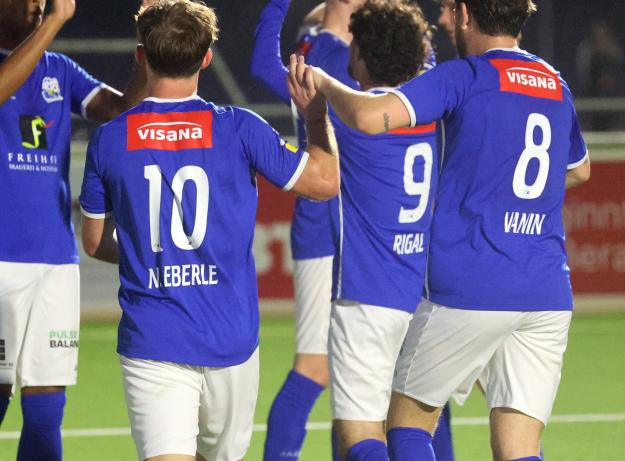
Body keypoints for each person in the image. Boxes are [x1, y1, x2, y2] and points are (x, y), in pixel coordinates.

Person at [289, 0, 591, 460]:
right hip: (547, 290)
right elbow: (580, 169)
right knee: (520, 446)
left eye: (453, 10)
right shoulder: (554, 82)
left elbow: (370, 118)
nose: (448, 19)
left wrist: (324, 84)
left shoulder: (466, 75)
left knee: (405, 423)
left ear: (467, 13)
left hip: (475, 281)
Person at [79, 1, 339, 459]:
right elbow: (325, 183)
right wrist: (314, 117)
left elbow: (95, 241)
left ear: (140, 56)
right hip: (230, 338)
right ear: (205, 58)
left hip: (153, 336)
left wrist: (148, 254)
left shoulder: (109, 139)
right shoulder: (241, 128)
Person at [0, 0, 144, 459]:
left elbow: (122, 110)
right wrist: (53, 23)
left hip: (55, 260)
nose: (39, 2)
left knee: (47, 410)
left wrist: (148, 48)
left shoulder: (59, 69)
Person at [251, 1, 453, 460]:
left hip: (362, 280)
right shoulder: (430, 98)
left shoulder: (336, 88)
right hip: (417, 281)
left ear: (360, 52)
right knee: (414, 413)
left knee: (352, 418)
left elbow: (271, 74)